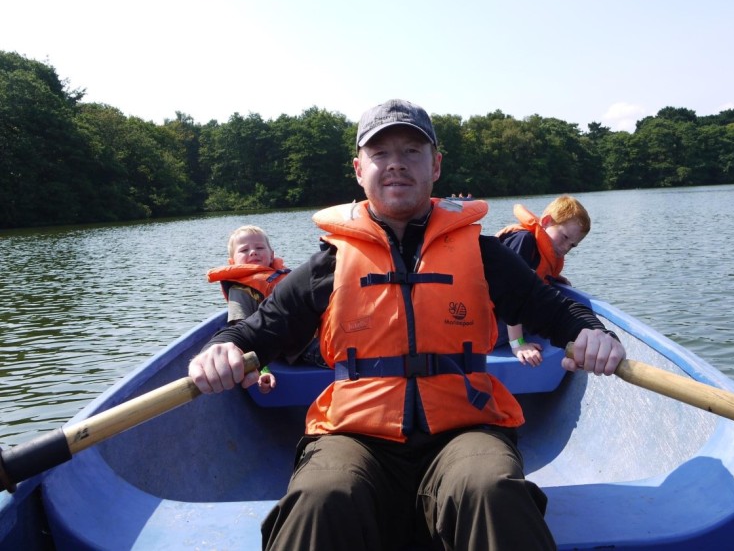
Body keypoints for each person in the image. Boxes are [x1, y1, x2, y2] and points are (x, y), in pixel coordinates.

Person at [189, 98, 625, 551]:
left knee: (491, 489)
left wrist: (593, 335)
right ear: (359, 170)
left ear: (435, 165)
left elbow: (556, 311)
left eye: (411, 151)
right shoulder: (329, 264)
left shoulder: (483, 254)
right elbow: (256, 331)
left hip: (463, 431)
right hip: (355, 436)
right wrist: (221, 348)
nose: (396, 164)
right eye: (380, 153)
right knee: (321, 497)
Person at [495, 196, 591, 367]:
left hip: (503, 320)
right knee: (558, 313)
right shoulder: (524, 239)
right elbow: (511, 294)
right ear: (546, 222)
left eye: (572, 245)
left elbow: (532, 276)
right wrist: (518, 344)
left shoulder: (544, 248)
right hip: (484, 327)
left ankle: (582, 346)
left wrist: (551, 279)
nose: (566, 248)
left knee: (558, 307)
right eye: (564, 237)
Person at [207, 225, 291, 394]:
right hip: (287, 348)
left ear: (271, 255)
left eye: (259, 248)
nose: (253, 252)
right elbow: (244, 336)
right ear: (232, 262)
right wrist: (262, 370)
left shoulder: (283, 277)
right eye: (244, 250)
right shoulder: (240, 291)